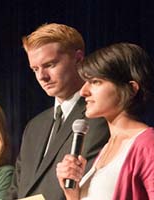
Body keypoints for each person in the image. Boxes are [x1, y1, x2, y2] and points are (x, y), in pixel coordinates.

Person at [7, 23, 110, 200]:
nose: (42, 76)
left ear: (78, 59)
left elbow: (89, 185)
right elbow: (15, 191)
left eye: (50, 64)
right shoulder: (35, 126)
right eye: (35, 69)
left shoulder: (100, 117)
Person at [56, 42, 154, 200]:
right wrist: (72, 194)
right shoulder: (109, 146)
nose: (83, 91)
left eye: (95, 82)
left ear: (131, 89)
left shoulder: (147, 144)